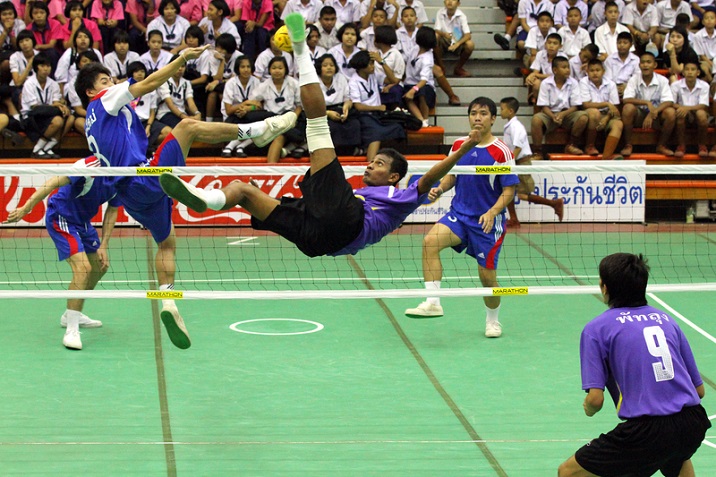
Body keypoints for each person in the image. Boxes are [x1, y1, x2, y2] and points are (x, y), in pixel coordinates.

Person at [158, 13, 481, 261]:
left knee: (317, 123)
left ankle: (300, 49)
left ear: (394, 176)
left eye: (379, 163)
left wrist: (462, 150)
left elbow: (433, 176)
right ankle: (204, 200)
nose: (370, 165)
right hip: (317, 240)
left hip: (345, 222)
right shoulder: (363, 194)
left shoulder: (402, 198)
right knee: (243, 191)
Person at [75, 44, 297, 349]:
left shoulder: (93, 120)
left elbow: (146, 92)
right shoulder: (104, 100)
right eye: (104, 81)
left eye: (111, 79)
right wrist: (181, 59)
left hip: (129, 196)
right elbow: (148, 83)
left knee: (167, 242)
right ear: (91, 91)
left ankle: (167, 298)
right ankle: (258, 130)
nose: (111, 83)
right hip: (144, 178)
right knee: (187, 126)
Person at [557, 253, 711, 477]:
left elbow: (595, 400)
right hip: (692, 423)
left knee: (568, 472)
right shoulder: (667, 320)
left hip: (647, 432)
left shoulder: (597, 329)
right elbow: (699, 390)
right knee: (676, 456)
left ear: (605, 287)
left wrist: (588, 408)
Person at [403, 96, 518, 338]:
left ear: (493, 119)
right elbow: (452, 175)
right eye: (474, 112)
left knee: (487, 279)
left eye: (484, 113)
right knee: (429, 243)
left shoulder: (501, 152)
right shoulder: (458, 145)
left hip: (486, 223)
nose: (478, 117)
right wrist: (440, 189)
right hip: (459, 216)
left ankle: (493, 321)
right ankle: (433, 301)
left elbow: (509, 190)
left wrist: (492, 211)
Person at [4, 157, 120, 351]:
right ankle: (71, 330)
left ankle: (71, 313)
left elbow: (113, 210)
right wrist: (26, 207)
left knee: (99, 268)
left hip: (82, 222)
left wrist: (104, 245)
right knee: (83, 269)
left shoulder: (121, 176)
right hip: (61, 217)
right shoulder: (90, 166)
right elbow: (52, 182)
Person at [500, 96, 564, 228]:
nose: (500, 111)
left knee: (523, 194)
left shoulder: (516, 126)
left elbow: (517, 147)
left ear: (510, 111)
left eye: (502, 109)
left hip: (520, 163)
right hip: (515, 163)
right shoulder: (510, 126)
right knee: (507, 189)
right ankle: (513, 219)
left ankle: (554, 203)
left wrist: (510, 164)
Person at [620, 51, 676, 157]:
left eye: (649, 62)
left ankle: (661, 145)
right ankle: (628, 145)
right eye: (643, 62)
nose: (645, 65)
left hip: (656, 116)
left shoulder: (662, 80)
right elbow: (626, 99)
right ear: (639, 65)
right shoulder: (634, 79)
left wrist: (653, 112)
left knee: (671, 112)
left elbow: (669, 101)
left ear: (654, 65)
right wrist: (647, 102)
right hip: (638, 115)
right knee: (628, 108)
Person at [531, 55, 588, 157]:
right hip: (550, 114)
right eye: (564, 67)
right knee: (536, 119)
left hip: (568, 113)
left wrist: (563, 114)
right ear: (555, 70)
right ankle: (537, 151)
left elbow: (576, 106)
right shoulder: (545, 83)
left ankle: (571, 145)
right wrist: (553, 116)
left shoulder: (574, 83)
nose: (567, 70)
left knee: (583, 116)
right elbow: (543, 106)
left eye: (568, 67)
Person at [580, 59, 624, 160]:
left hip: (607, 114)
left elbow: (615, 107)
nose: (595, 73)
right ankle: (589, 146)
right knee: (594, 113)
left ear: (603, 71)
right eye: (592, 70)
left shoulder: (611, 84)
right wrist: (606, 104)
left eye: (597, 70)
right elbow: (586, 105)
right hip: (589, 113)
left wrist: (607, 118)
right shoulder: (583, 82)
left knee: (618, 124)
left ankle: (606, 157)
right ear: (587, 72)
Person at [671, 60, 710, 158]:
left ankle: (702, 145)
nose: (689, 72)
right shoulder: (675, 85)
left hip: (697, 112)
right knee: (680, 114)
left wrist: (686, 108)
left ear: (698, 72)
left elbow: (703, 105)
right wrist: (684, 109)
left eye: (693, 70)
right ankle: (681, 146)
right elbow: (671, 103)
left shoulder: (704, 85)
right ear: (683, 72)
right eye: (687, 69)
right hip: (682, 113)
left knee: (701, 114)